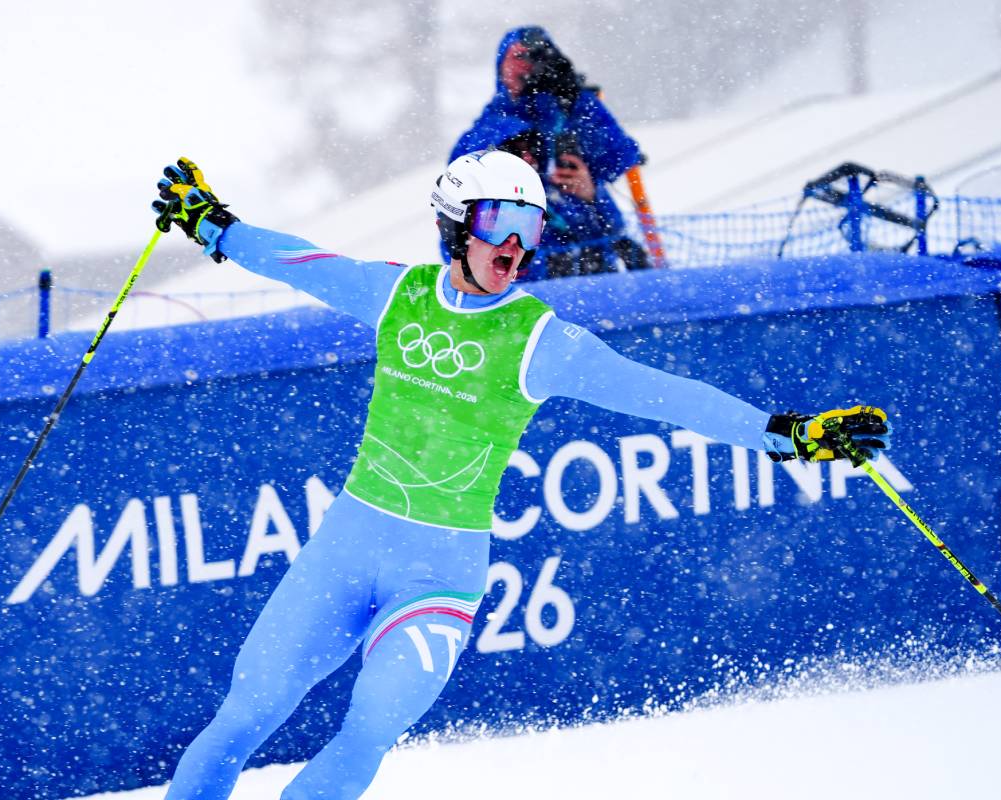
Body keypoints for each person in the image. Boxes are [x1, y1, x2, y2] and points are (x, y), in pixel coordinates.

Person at [151, 152, 891, 800]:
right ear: (453, 224)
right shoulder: (399, 294)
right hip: (343, 554)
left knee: (371, 723)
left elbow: (660, 394)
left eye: (530, 228)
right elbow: (297, 259)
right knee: (245, 715)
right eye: (499, 222)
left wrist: (785, 436)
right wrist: (214, 225)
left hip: (437, 577)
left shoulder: (541, 339)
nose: (514, 246)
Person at [450, 26, 652, 279]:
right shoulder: (485, 132)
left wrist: (590, 192)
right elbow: (455, 225)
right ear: (501, 65)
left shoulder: (573, 115)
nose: (525, 66)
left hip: (595, 274)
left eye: (535, 57)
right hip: (526, 282)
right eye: (518, 57)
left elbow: (617, 164)